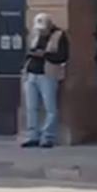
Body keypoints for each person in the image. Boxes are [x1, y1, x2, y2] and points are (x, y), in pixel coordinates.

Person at [23, 12, 69, 148]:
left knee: (50, 108)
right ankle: (33, 136)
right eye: (39, 29)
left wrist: (46, 55)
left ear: (50, 25)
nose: (41, 32)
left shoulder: (59, 35)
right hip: (31, 73)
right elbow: (28, 51)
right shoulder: (34, 34)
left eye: (43, 29)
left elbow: (63, 56)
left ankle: (48, 137)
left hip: (48, 74)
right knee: (31, 108)